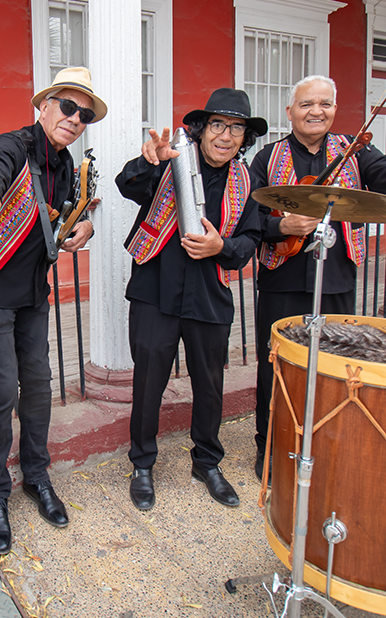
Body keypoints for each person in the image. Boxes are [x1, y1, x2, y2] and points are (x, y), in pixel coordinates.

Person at [250, 75, 386, 480]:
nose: (316, 111)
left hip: (337, 278)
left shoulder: (356, 151)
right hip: (281, 278)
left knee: (333, 365)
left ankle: (324, 443)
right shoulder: (267, 157)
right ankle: (270, 445)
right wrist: (281, 227)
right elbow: (249, 215)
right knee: (274, 366)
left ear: (334, 109)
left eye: (325, 104)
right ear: (290, 111)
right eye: (307, 104)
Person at [0, 67, 104, 555]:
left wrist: (85, 225)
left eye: (84, 115)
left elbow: (64, 215)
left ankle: (36, 475)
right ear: (43, 106)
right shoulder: (13, 145)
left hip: (32, 291)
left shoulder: (66, 164)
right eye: (67, 106)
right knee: (2, 389)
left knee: (38, 383)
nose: (75, 119)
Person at [117, 88, 265, 510]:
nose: (226, 135)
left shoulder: (248, 182)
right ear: (201, 129)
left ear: (244, 138)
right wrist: (149, 161)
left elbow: (251, 239)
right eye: (218, 125)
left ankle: (207, 463)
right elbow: (127, 186)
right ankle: (142, 465)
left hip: (209, 293)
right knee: (148, 384)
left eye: (236, 128)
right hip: (155, 289)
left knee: (210, 385)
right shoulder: (171, 160)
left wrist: (222, 247)